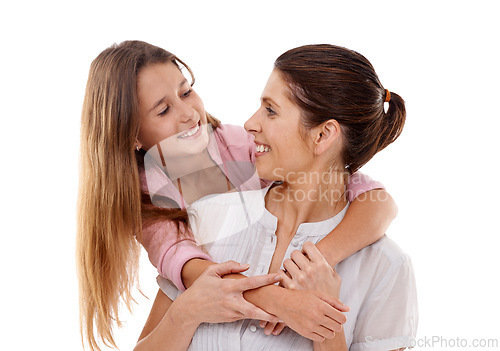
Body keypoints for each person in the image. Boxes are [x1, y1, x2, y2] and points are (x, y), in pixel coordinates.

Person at [77, 41, 398, 350]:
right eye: (163, 110)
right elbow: (189, 269)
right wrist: (278, 300)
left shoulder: (234, 144)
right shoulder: (145, 199)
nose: (189, 113)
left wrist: (312, 261)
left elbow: (370, 197)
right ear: (131, 135)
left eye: (186, 91)